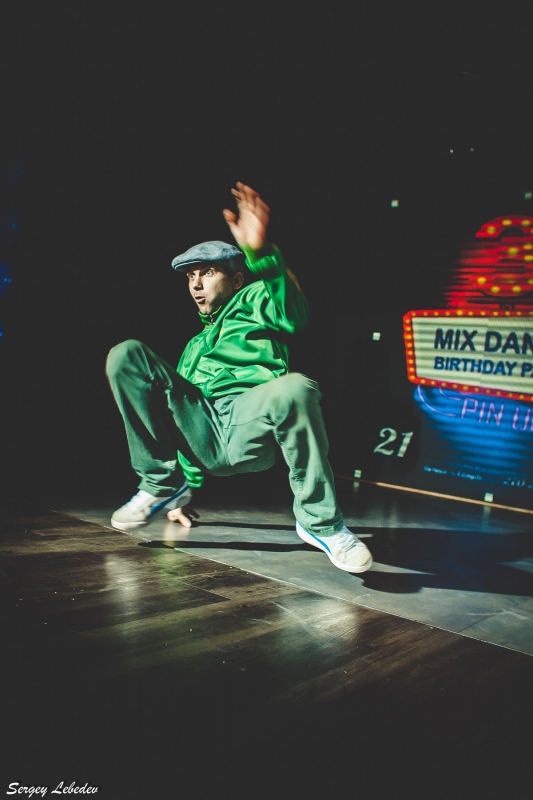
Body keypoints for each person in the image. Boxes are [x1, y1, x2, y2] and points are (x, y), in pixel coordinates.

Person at [106, 183, 372, 573]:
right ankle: (163, 486)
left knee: (296, 388)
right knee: (127, 354)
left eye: (208, 272)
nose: (196, 284)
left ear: (235, 280)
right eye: (190, 276)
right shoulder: (193, 346)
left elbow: (293, 311)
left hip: (249, 424)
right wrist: (183, 492)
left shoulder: (253, 301)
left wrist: (260, 253)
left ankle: (321, 524)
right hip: (206, 437)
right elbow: (180, 418)